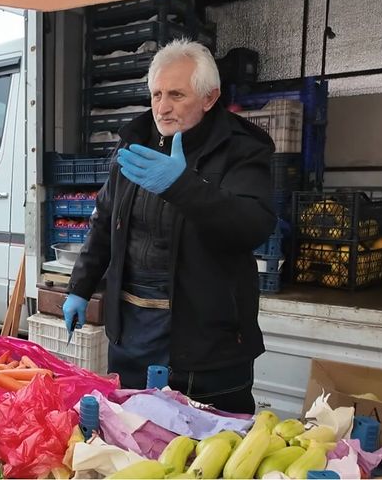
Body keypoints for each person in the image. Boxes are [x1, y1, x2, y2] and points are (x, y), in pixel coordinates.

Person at [62, 39, 276, 414]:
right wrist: (80, 287)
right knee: (134, 437)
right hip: (132, 333)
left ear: (209, 98)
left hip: (206, 342)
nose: (162, 107)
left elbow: (253, 225)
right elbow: (104, 219)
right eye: (157, 94)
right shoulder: (135, 142)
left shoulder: (243, 149)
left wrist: (184, 187)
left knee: (204, 456)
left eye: (176, 95)